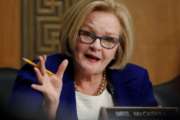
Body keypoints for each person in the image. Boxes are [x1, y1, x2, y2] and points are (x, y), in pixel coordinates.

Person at [8, 0, 158, 120]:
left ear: (118, 48)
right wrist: (49, 110)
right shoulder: (40, 72)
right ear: (72, 35)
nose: (96, 46)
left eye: (109, 39)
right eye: (87, 34)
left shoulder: (136, 80)